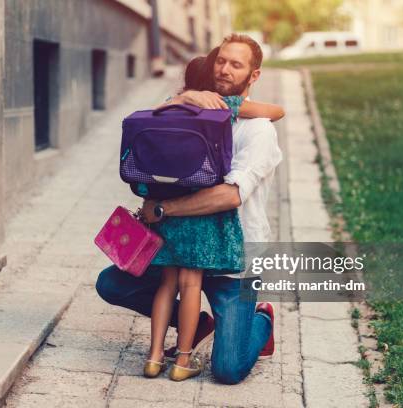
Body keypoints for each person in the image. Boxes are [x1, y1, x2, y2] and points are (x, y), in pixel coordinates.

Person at [97, 33, 283, 384]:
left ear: (254, 75)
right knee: (112, 284)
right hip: (183, 247)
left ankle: (261, 321)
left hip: (234, 264)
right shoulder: (188, 110)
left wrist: (164, 210)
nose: (224, 69)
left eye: (236, 64)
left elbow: (230, 196)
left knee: (227, 370)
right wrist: (183, 98)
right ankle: (195, 323)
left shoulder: (258, 131)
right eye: (221, 61)